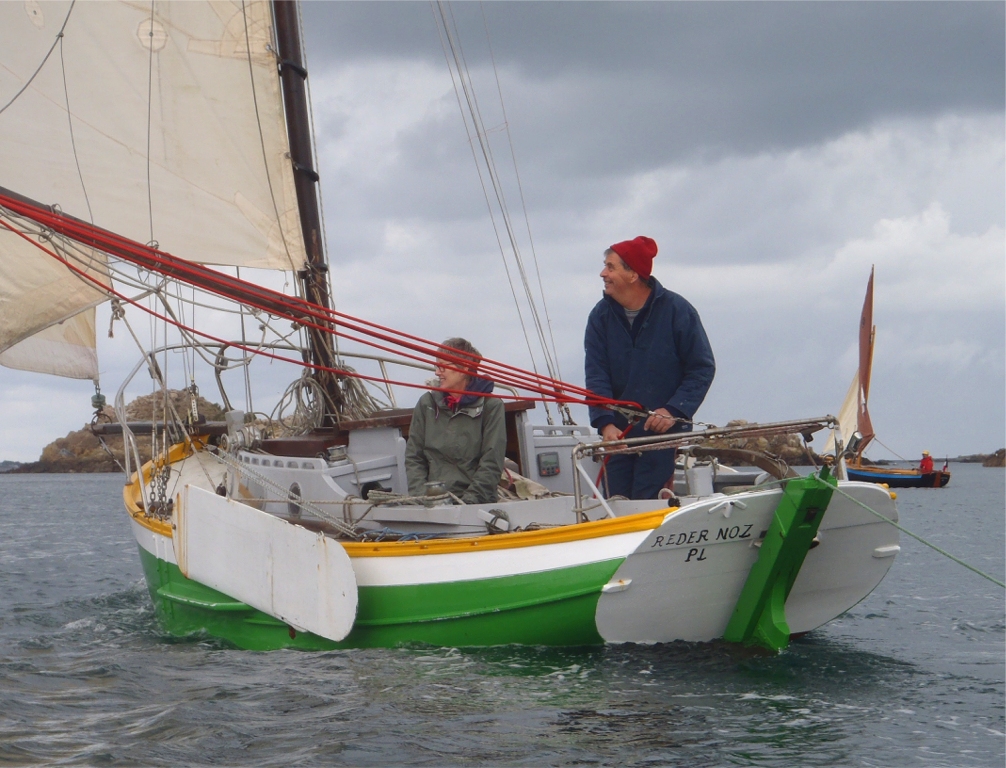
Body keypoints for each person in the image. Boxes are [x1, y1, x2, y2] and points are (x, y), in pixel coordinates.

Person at [584, 236, 715, 499]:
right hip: (618, 435)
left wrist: (673, 410)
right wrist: (605, 424)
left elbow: (701, 367)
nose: (603, 273)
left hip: (662, 434)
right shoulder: (600, 316)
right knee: (615, 503)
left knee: (648, 501)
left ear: (632, 274)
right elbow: (596, 373)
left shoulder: (678, 310)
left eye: (610, 267)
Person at [405, 338, 506, 504]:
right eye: (436, 366)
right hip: (432, 502)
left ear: (464, 368)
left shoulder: (491, 407)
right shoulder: (427, 404)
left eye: (443, 366)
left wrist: (468, 503)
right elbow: (414, 457)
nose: (437, 372)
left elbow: (491, 463)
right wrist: (423, 499)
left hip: (474, 504)